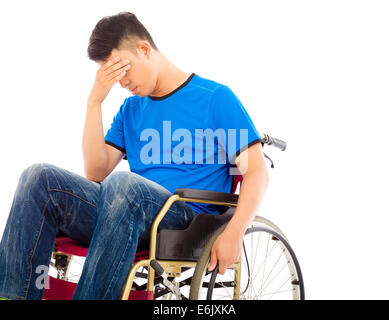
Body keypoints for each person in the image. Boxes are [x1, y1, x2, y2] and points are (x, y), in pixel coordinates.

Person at [0, 12, 269, 300]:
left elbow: (257, 172)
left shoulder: (215, 98)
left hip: (185, 218)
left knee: (124, 184)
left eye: (122, 69)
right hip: (124, 213)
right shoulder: (131, 110)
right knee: (38, 177)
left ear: (143, 50)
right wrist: (95, 101)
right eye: (111, 74)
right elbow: (95, 173)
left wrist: (236, 231)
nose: (122, 82)